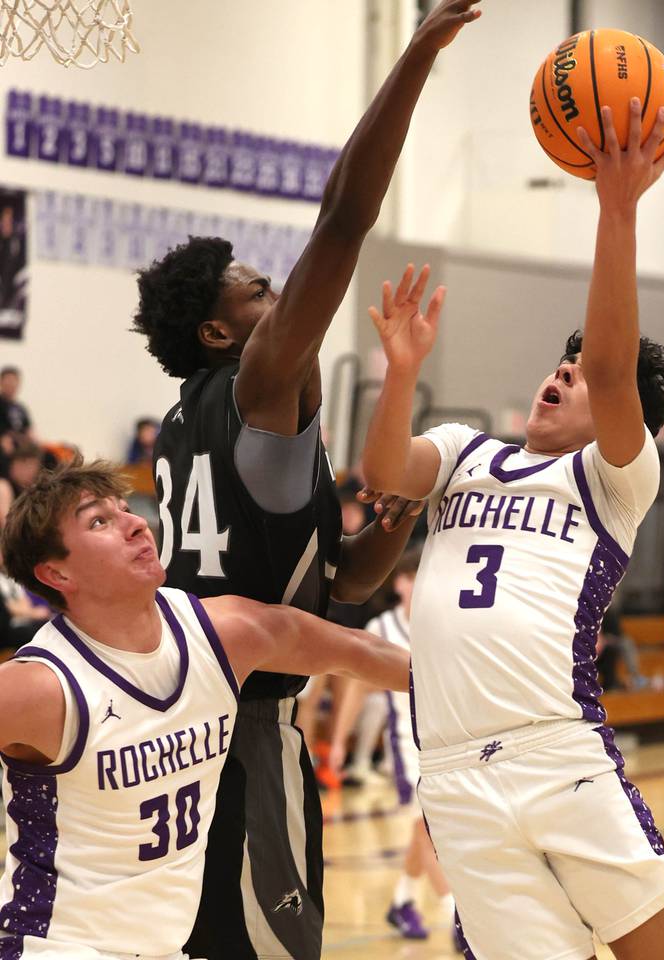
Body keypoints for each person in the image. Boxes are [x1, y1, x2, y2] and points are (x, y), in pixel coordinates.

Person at [132, 5, 483, 958]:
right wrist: (417, 55)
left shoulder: (184, 425)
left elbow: (344, 584)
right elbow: (344, 218)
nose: (286, 297)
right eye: (261, 294)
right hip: (247, 734)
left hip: (189, 726)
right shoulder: (255, 387)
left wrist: (395, 520)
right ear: (220, 333)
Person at [359, 99, 664, 960]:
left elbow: (615, 373)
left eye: (581, 376)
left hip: (558, 753)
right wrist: (399, 373)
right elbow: (385, 472)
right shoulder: (463, 450)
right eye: (562, 363)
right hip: (453, 773)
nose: (565, 373)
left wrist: (616, 210)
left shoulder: (615, 479)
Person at [0, 456, 410, 960]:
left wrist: (480, 692)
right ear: (56, 572)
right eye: (99, 521)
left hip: (165, 948)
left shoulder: (221, 633)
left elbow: (359, 653)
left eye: (125, 509)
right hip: (56, 946)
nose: (135, 524)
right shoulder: (40, 686)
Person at [330, 546, 455, 942]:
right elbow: (356, 689)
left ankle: (403, 901)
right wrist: (338, 743)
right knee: (428, 829)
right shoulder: (382, 628)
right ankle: (457, 916)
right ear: (401, 583)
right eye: (418, 578)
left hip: (448, 745)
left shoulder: (445, 621)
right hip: (407, 749)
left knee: (426, 830)